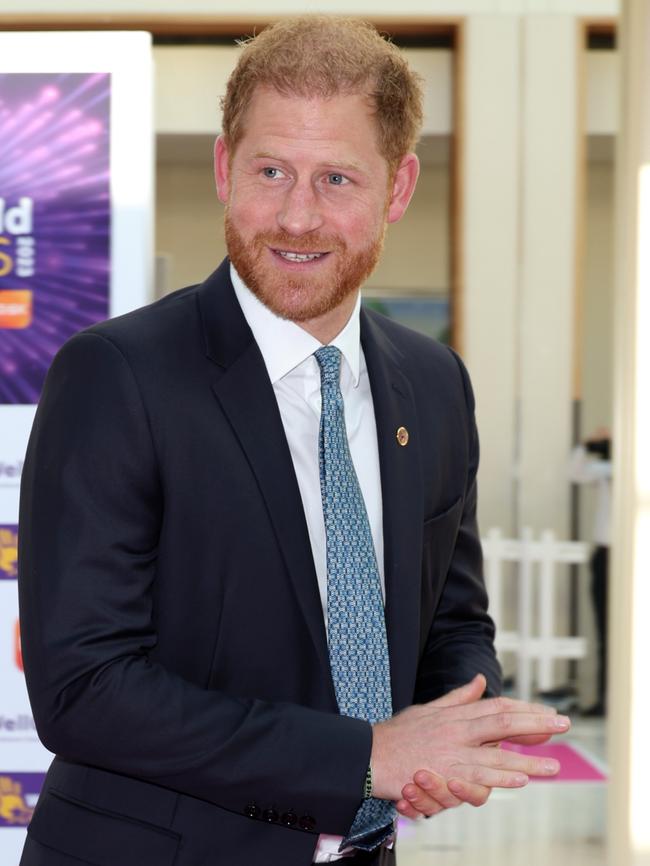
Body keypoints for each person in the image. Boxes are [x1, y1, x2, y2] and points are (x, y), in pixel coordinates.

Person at [18, 17, 570, 866]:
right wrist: (368, 758)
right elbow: (84, 689)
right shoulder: (115, 377)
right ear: (222, 169)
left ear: (399, 187)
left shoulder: (434, 383)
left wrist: (457, 719)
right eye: (270, 171)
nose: (297, 216)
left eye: (338, 178)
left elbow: (453, 618)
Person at [569, 427, 612, 717]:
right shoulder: (607, 469)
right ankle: (604, 699)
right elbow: (574, 472)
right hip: (606, 555)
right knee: (605, 630)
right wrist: (587, 442)